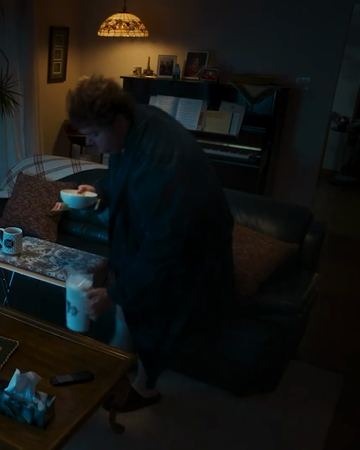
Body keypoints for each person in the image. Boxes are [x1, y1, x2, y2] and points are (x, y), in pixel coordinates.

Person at [66, 75, 235, 411]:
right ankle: (120, 355)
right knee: (131, 288)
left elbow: (163, 250)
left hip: (193, 245)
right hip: (162, 230)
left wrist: (114, 294)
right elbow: (122, 168)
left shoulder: (163, 162)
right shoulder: (133, 122)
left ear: (116, 121)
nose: (90, 143)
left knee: (155, 307)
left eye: (94, 134)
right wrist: (100, 189)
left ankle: (145, 388)